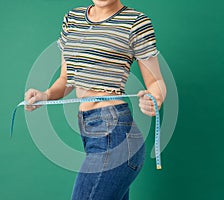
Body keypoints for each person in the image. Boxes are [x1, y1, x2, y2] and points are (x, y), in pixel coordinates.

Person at [24, 0, 167, 199]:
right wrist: (46, 95)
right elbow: (66, 79)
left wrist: (155, 98)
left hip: (116, 133)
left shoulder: (135, 22)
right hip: (90, 131)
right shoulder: (72, 19)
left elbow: (156, 80)